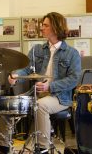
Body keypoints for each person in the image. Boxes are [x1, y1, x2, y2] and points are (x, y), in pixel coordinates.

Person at [8, 12, 81, 152]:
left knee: (40, 105)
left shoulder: (72, 53)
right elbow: (26, 69)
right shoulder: (37, 50)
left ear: (55, 27)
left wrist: (50, 85)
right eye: (42, 25)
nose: (41, 28)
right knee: (7, 103)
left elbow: (74, 79)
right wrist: (16, 75)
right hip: (36, 94)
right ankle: (4, 145)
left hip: (59, 97)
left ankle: (42, 148)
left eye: (45, 25)